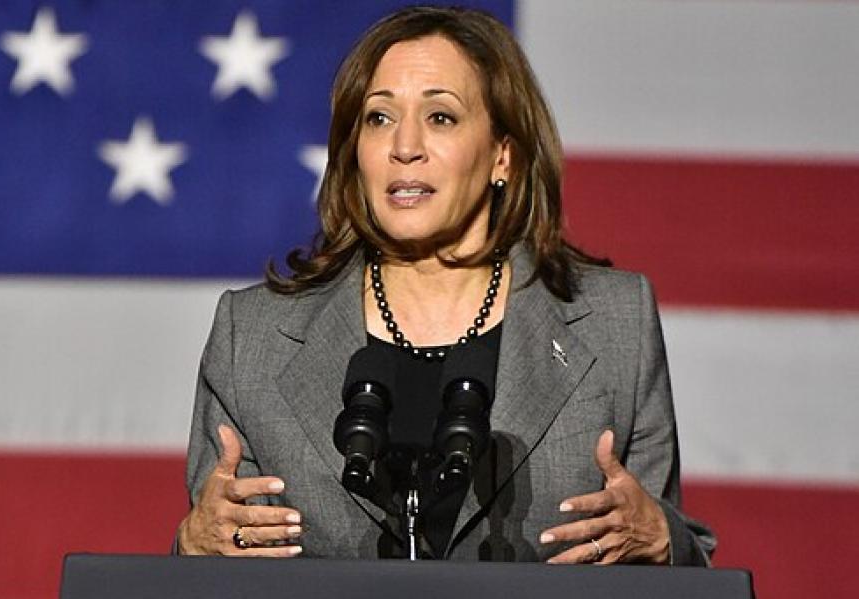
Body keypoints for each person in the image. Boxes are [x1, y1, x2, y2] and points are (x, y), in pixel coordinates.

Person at [176, 6, 715, 565]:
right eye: (379, 118)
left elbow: (676, 567)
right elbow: (215, 565)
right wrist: (194, 545)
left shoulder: (614, 325)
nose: (404, 146)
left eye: (440, 118)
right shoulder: (254, 337)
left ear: (502, 156)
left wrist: (661, 542)